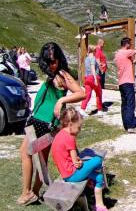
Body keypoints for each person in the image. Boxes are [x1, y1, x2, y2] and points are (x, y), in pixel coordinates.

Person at [17, 42, 85, 205]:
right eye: (48, 62)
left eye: (54, 61)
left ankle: (28, 193)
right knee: (40, 159)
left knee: (26, 153)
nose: (52, 65)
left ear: (59, 59)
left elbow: (81, 93)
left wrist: (61, 99)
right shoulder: (53, 73)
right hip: (40, 120)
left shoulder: (62, 74)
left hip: (44, 123)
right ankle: (32, 192)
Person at [51, 107, 107, 211]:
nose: (79, 130)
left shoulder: (60, 134)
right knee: (98, 160)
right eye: (79, 127)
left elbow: (69, 157)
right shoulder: (70, 137)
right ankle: (97, 200)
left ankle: (99, 206)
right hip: (72, 175)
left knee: (99, 177)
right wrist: (79, 162)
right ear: (70, 124)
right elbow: (76, 164)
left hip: (66, 173)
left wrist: (78, 161)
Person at [114, 37, 136, 134]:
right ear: (127, 44)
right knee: (130, 104)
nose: (131, 46)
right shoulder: (126, 52)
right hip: (128, 82)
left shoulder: (118, 54)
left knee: (124, 105)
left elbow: (130, 63)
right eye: (130, 44)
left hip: (121, 83)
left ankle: (127, 124)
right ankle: (131, 127)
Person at [80, 45, 103, 117]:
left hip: (87, 78)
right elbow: (93, 68)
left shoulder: (86, 59)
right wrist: (95, 79)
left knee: (87, 94)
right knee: (99, 93)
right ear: (93, 51)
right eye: (95, 50)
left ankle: (82, 109)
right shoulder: (93, 58)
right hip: (93, 77)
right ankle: (99, 110)